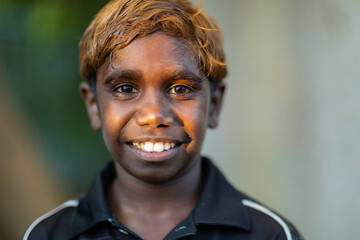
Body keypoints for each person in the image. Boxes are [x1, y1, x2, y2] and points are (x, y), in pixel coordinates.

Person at [23, 0, 304, 239]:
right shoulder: (50, 234)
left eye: (181, 89)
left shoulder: (270, 234)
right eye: (125, 89)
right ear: (94, 105)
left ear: (214, 105)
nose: (154, 115)